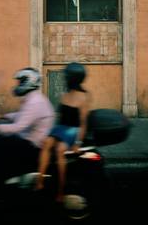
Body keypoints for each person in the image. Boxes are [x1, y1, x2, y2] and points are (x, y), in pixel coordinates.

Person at [0, 67, 55, 189]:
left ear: (28, 82)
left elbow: (18, 127)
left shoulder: (35, 102)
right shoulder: (33, 98)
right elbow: (22, 116)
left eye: (20, 82)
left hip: (32, 146)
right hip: (26, 141)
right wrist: (0, 116)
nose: (17, 85)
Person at [35, 62, 91, 202]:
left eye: (67, 76)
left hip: (74, 129)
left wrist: (77, 142)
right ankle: (39, 182)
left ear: (73, 78)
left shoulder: (84, 97)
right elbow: (59, 119)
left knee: (60, 149)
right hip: (62, 127)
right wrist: (49, 133)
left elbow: (84, 123)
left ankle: (61, 191)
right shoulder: (64, 95)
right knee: (46, 143)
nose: (65, 78)